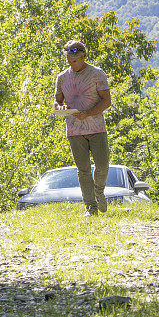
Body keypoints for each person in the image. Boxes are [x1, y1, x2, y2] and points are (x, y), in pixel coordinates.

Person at [54, 39, 111, 216]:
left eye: (75, 61)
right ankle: (90, 207)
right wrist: (60, 107)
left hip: (96, 128)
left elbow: (106, 101)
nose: (72, 64)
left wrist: (88, 113)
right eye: (69, 61)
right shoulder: (62, 77)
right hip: (74, 130)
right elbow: (57, 101)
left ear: (84, 56)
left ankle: (99, 191)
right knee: (83, 170)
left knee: (102, 166)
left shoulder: (97, 74)